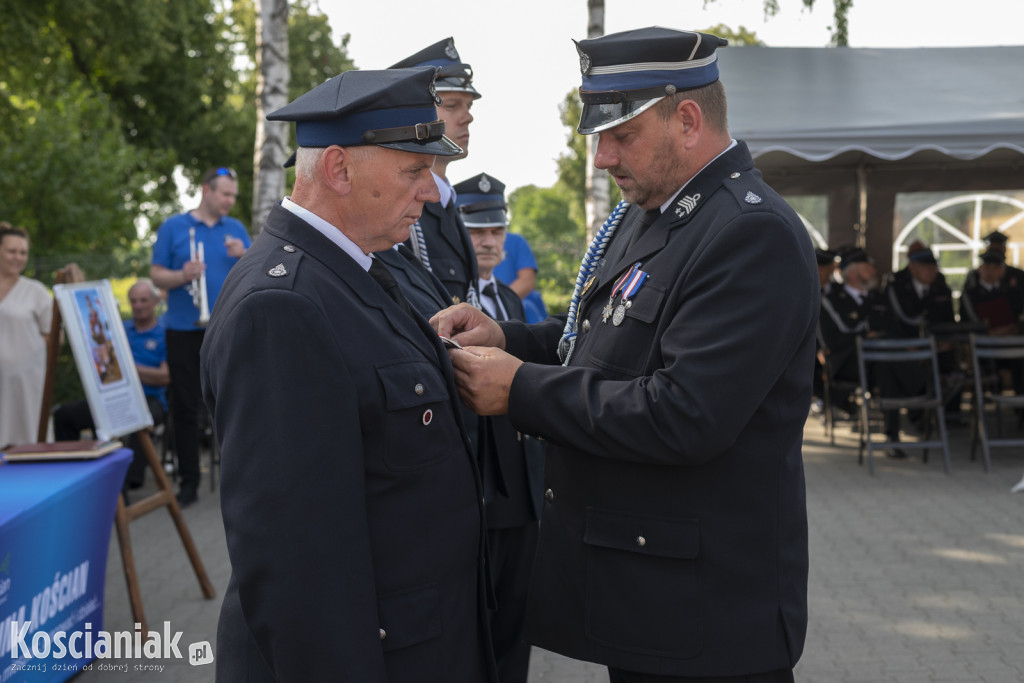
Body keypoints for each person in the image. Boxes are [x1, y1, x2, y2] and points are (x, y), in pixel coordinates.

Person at [434, 27, 814, 682]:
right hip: (653, 593)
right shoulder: (662, 208)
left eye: (622, 134)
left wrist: (519, 388)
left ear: (688, 120)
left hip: (709, 617)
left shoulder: (750, 232)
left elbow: (685, 413)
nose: (603, 156)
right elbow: (606, 339)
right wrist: (507, 337)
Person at [200, 67, 496, 683]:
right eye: (413, 171)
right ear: (338, 168)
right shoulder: (282, 306)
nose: (429, 191)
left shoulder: (348, 269)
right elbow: (298, 567)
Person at [455, 172, 545, 683]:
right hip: (476, 490)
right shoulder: (446, 303)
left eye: (497, 231)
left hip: (523, 489)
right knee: (475, 631)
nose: (489, 242)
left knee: (517, 621)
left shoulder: (511, 304)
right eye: (476, 231)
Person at [150, 166, 251, 507]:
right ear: (207, 191)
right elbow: (156, 276)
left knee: (236, 405)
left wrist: (245, 257)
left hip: (227, 328)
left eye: (233, 196)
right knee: (185, 408)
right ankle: (189, 481)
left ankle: (241, 480)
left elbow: (257, 274)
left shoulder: (236, 229)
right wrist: (182, 274)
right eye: (225, 194)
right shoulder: (173, 227)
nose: (229, 201)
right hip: (183, 331)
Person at [389, 38, 481, 306]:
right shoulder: (399, 208)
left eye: (469, 106)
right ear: (416, 116)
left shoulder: (448, 202)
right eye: (452, 106)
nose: (468, 117)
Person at [54, 279, 169, 491]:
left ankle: (127, 481)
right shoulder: (117, 328)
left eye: (143, 300)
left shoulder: (165, 332)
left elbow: (165, 376)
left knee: (138, 420)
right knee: (63, 415)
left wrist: (126, 367)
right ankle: (72, 476)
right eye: (133, 301)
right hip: (112, 395)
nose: (138, 305)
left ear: (155, 302)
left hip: (150, 399)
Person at [0, 223, 53, 448]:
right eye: (11, 251)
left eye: (23, 252)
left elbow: (53, 336)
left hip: (26, 384)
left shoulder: (36, 291)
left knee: (28, 441)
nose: (18, 257)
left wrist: (24, 357)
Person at [495, 232, 549, 323]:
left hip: (523, 312)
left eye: (494, 232)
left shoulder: (516, 241)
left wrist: (497, 304)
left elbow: (527, 281)